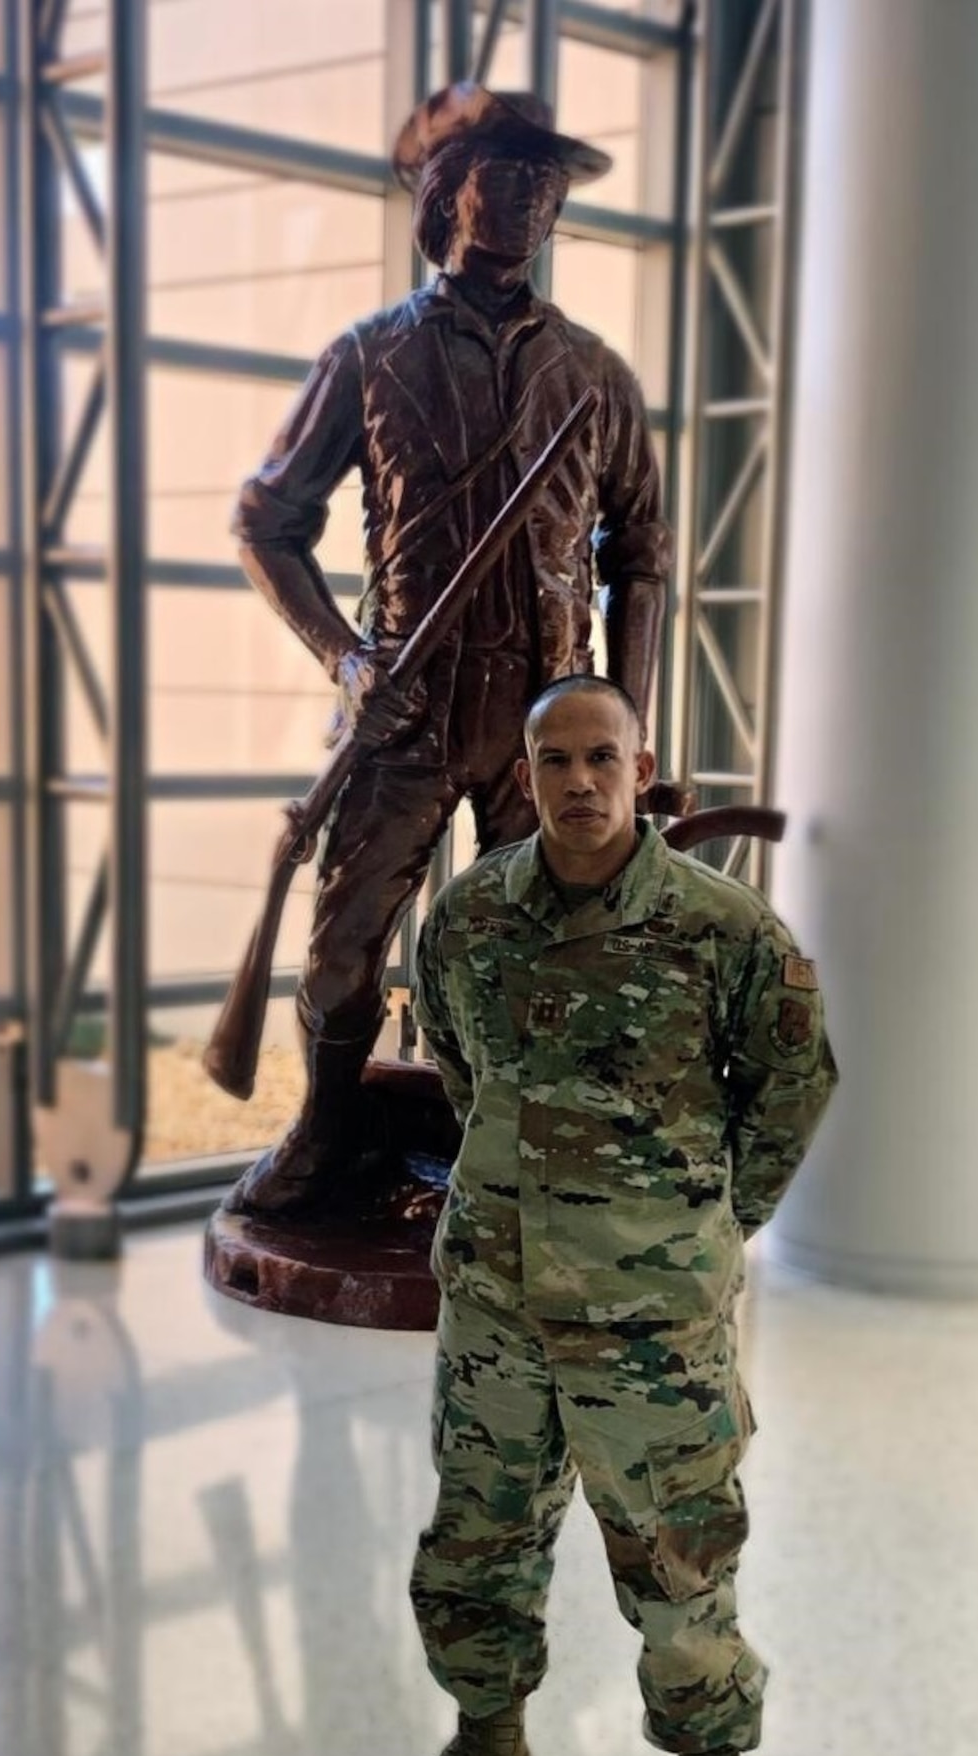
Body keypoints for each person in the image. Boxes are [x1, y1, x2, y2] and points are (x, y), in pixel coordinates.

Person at [354, 676, 838, 1756]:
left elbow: (792, 1086)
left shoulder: (723, 929)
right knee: (475, 1542)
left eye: (601, 757)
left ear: (642, 764)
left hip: (651, 1328)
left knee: (681, 1569)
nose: (578, 781)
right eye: (555, 758)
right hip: (499, 1309)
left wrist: (706, 1225)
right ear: (527, 768)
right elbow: (463, 1072)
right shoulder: (464, 921)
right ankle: (488, 1755)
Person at [224, 82, 672, 1218]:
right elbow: (265, 523)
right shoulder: (370, 356)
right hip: (405, 711)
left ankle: (509, 1149)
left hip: (547, 730)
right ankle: (327, 1136)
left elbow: (645, 554)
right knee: (343, 945)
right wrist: (345, 659)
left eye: (541, 181)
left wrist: (628, 719)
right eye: (500, 173)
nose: (523, 198)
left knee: (546, 949)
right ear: (445, 192)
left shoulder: (597, 377)